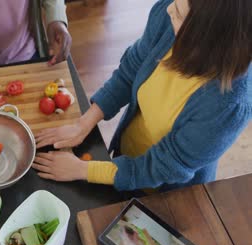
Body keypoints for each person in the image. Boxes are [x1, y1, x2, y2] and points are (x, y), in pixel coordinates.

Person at [33, 0, 251, 191]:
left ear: (210, 37)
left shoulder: (230, 104)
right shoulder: (168, 17)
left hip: (165, 193)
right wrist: (84, 123)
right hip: (124, 159)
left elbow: (164, 166)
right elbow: (130, 70)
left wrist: (82, 169)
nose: (168, 9)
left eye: (179, 13)